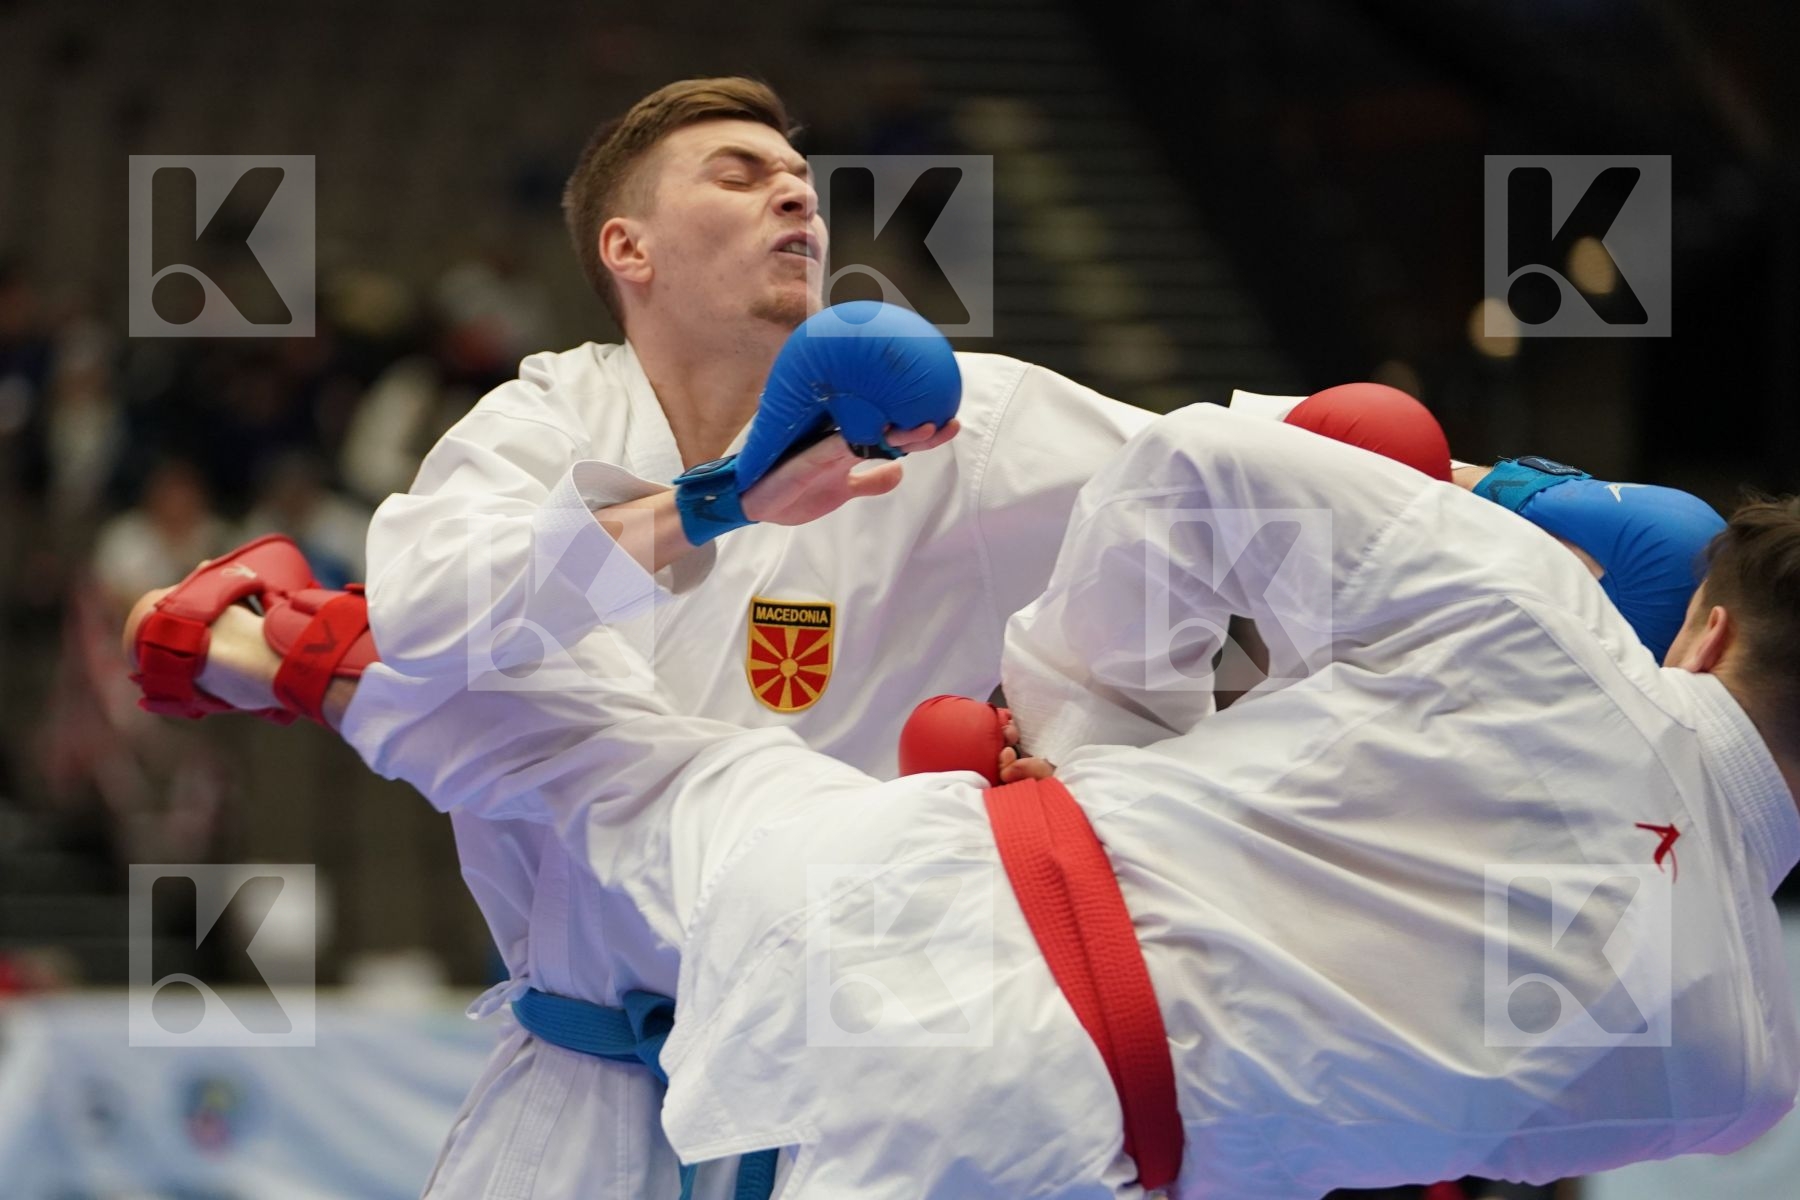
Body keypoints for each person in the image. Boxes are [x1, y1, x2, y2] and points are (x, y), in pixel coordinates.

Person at [135, 404, 1800, 1197]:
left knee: (625, 763)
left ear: (1710, 629)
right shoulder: (1742, 1074)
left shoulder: (1534, 616)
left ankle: (279, 649)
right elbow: (1445, 1126)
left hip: (943, 909)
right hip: (1070, 1163)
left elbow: (1194, 471)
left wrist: (1088, 733)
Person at [130, 77, 1152, 1200]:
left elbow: (1215, 494)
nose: (797, 200)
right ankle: (301, 661)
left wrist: (1097, 756)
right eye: (740, 176)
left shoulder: (954, 427)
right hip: (588, 1096)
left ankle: (298, 659)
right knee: (494, 691)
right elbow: (429, 613)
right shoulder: (551, 417)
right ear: (630, 248)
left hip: (855, 1088)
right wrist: (716, 504)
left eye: (802, 184)